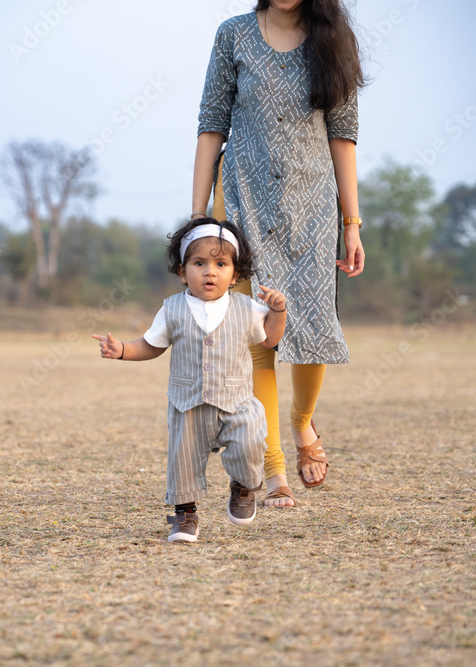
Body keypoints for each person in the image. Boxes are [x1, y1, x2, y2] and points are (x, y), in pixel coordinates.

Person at [191, 0, 366, 508]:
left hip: (312, 208)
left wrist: (351, 223)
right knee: (258, 343)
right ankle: (274, 474)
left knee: (312, 333)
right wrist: (199, 215)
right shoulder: (234, 35)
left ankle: (301, 422)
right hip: (242, 206)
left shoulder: (333, 40)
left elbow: (344, 136)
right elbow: (211, 124)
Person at [92, 218, 287, 543]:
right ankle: (185, 514)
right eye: (199, 263)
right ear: (182, 271)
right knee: (183, 459)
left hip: (237, 402)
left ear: (235, 273)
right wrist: (122, 349)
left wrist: (278, 311)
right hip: (188, 405)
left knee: (252, 440)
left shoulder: (246, 308)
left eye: (221, 263)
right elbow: (151, 345)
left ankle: (243, 485)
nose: (210, 271)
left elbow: (268, 339)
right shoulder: (172, 310)